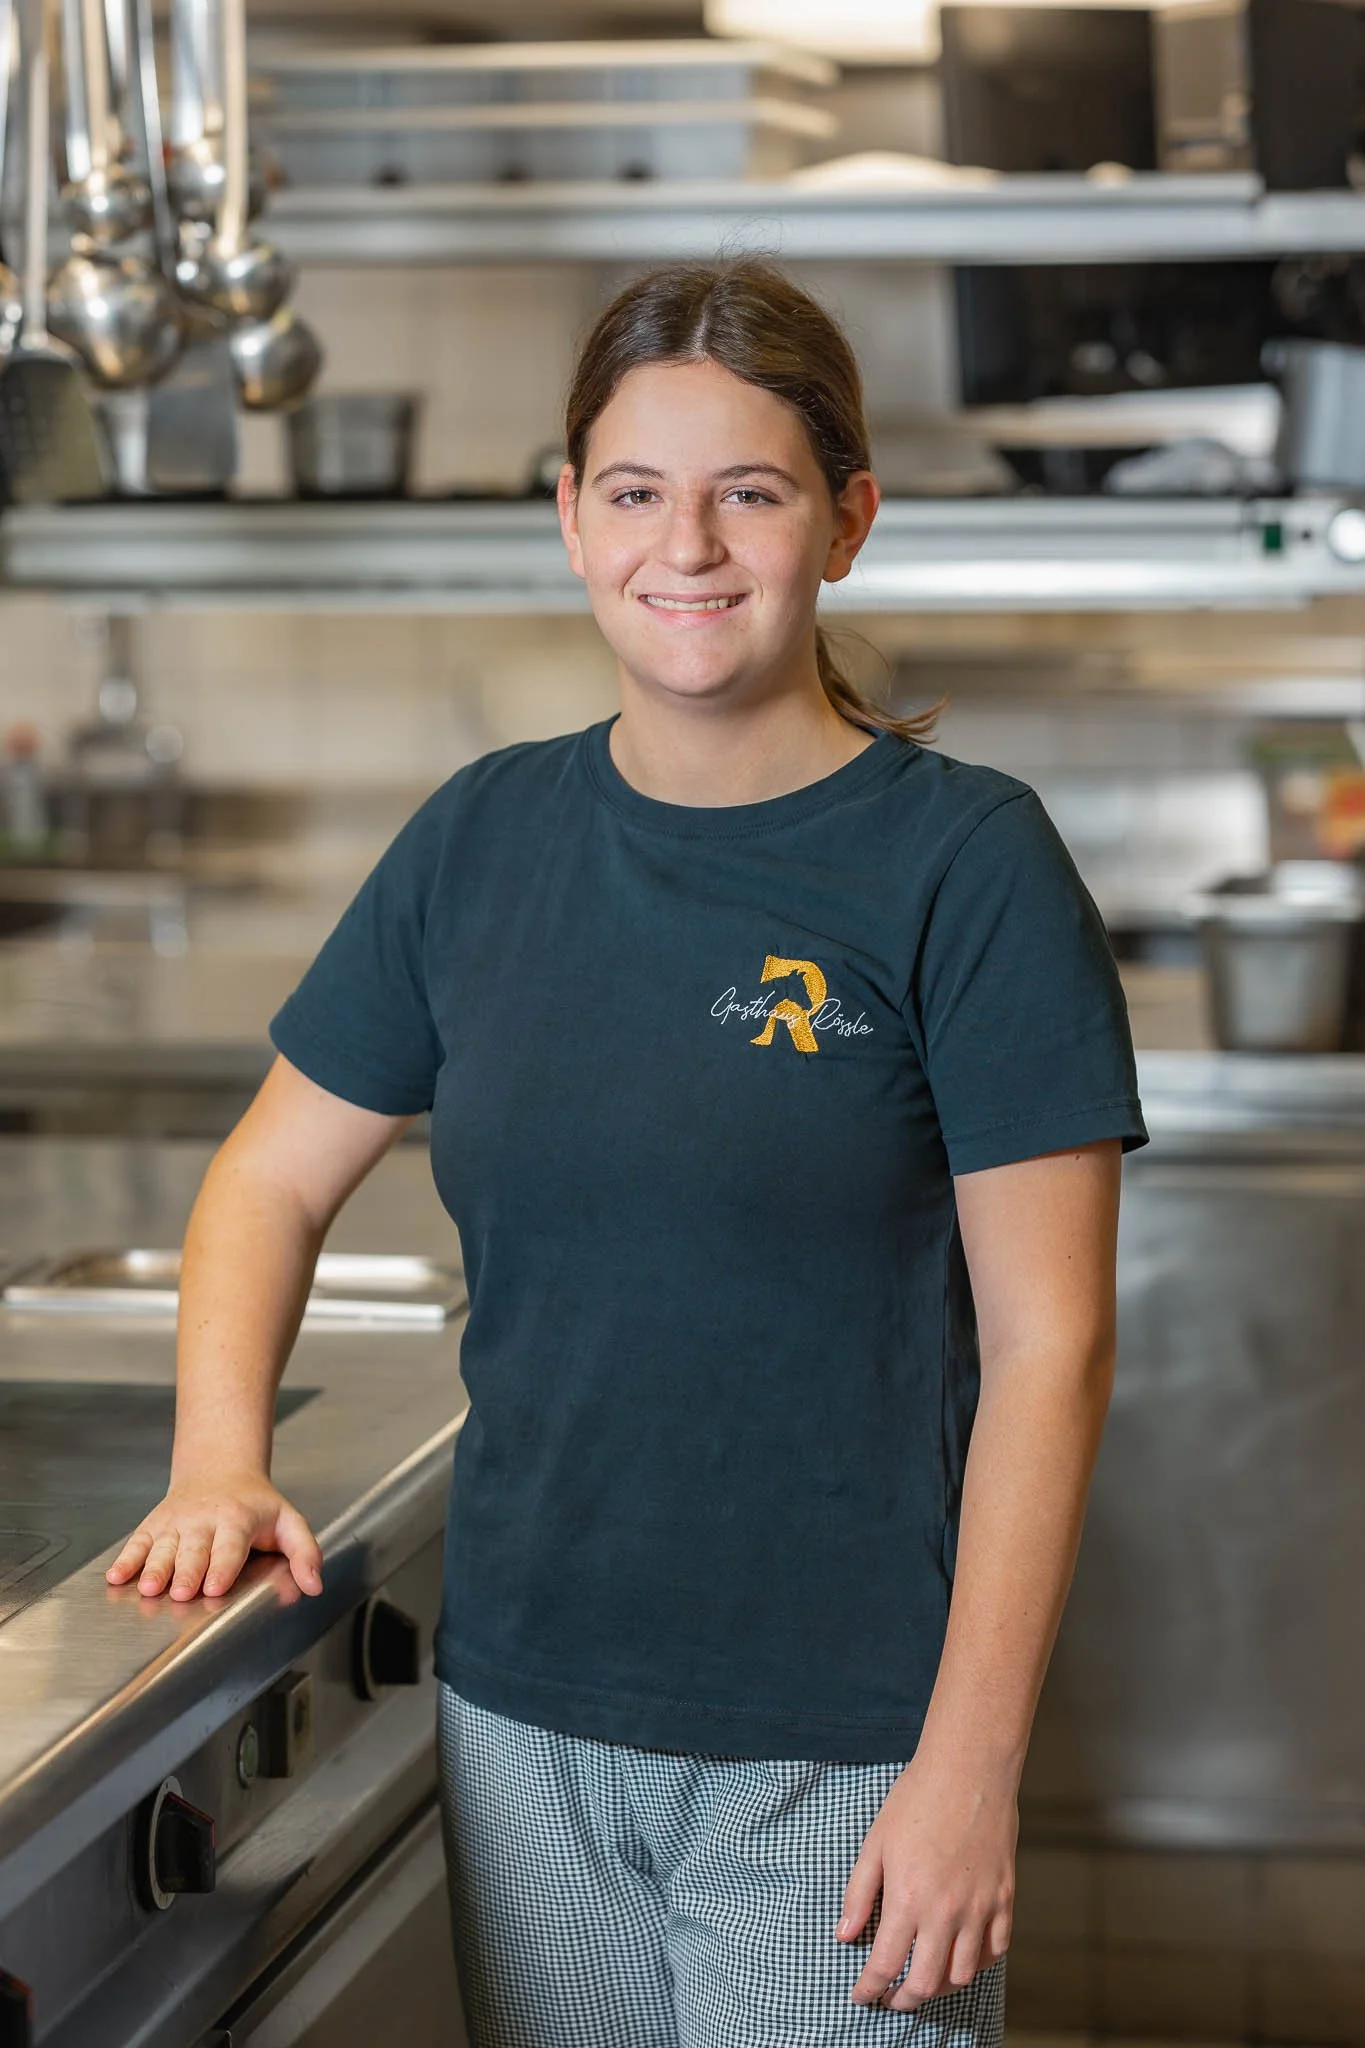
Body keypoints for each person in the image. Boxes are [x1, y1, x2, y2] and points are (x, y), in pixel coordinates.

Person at [109, 258, 1147, 2047]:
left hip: (844, 1750)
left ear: (848, 522)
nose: (691, 546)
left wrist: (971, 1769)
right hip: (522, 1720)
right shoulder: (479, 840)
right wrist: (218, 1457)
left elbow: (1053, 1349)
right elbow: (268, 1178)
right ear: (572, 521)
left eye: (752, 493)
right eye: (639, 492)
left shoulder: (967, 868)